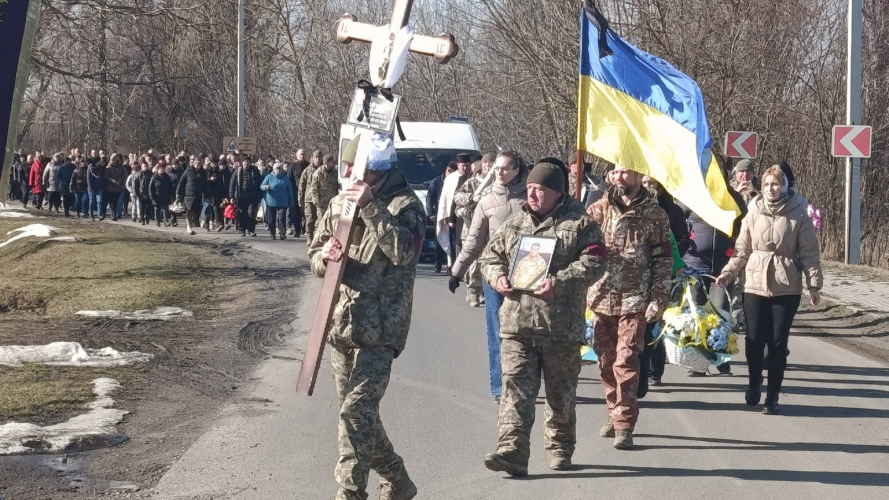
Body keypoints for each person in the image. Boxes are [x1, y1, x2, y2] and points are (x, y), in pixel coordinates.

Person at [309, 133, 425, 500]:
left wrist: (373, 208)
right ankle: (399, 480)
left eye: (353, 167)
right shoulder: (338, 202)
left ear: (376, 170)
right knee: (357, 419)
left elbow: (404, 252)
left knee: (356, 414)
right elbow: (314, 252)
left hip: (381, 331)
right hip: (342, 325)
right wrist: (323, 255)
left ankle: (350, 493)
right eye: (345, 166)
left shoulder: (406, 205)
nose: (344, 173)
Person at [478, 159, 607, 476]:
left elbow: (597, 260)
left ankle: (561, 448)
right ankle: (512, 452)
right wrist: (497, 278)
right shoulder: (515, 222)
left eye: (539, 189)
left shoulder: (580, 222)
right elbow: (490, 256)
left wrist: (560, 283)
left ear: (556, 192)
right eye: (530, 188)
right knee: (515, 393)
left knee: (560, 395)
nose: (532, 194)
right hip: (517, 325)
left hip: (559, 327)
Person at [717, 164, 822, 415]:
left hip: (786, 286)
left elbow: (809, 252)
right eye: (766, 184)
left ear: (784, 185)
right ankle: (754, 382)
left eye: (775, 184)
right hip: (754, 283)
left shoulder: (798, 211)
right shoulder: (754, 209)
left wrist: (814, 284)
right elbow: (743, 249)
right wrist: (729, 272)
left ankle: (773, 396)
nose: (770, 188)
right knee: (754, 340)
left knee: (777, 343)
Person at [587, 166, 672, 450]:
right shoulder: (597, 210)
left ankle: (624, 423)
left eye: (626, 173)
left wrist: (658, 298)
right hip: (601, 297)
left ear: (639, 176)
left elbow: (662, 261)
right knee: (605, 361)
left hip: (636, 298)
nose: (619, 178)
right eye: (616, 172)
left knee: (626, 360)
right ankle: (613, 410)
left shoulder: (655, 215)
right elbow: (580, 252)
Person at [449, 151, 528, 402]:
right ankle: (498, 386)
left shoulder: (530, 199)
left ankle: (523, 382)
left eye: (505, 168)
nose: (500, 172)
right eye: (497, 169)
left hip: (527, 277)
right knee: (497, 332)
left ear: (517, 170)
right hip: (495, 275)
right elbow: (474, 240)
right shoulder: (486, 201)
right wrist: (457, 271)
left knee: (524, 334)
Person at [454, 159, 490, 306]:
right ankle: (473, 292)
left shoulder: (497, 185)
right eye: (486, 162)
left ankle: (481, 290)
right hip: (471, 230)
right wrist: (471, 199)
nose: (489, 165)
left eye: (492, 162)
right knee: (473, 263)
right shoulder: (473, 183)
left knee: (485, 262)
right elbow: (457, 199)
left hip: (489, 229)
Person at [230, 156, 263, 237]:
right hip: (240, 197)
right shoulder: (237, 171)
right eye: (245, 161)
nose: (246, 163)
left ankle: (251, 230)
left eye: (248, 161)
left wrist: (260, 196)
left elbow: (259, 183)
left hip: (252, 197)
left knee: (251, 213)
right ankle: (242, 230)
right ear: (242, 162)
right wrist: (231, 196)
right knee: (241, 214)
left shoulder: (255, 171)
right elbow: (232, 184)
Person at [260, 162, 294, 240]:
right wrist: (266, 187)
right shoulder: (269, 177)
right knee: (271, 219)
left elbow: (290, 191)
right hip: (271, 201)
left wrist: (291, 201)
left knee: (282, 217)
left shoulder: (285, 178)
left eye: (280, 168)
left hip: (282, 201)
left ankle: (282, 233)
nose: (278, 170)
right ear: (273, 170)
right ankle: (272, 233)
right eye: (277, 168)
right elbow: (261, 186)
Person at [426, 165, 448, 273]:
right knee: (439, 238)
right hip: (438, 214)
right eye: (449, 170)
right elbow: (430, 197)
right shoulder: (437, 182)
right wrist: (431, 213)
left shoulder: (456, 180)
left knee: (452, 242)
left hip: (451, 216)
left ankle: (450, 264)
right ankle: (438, 262)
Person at [177, 158, 207, 235]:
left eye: (200, 164)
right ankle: (189, 227)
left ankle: (192, 223)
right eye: (197, 164)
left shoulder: (203, 173)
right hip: (189, 195)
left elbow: (205, 184)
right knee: (189, 211)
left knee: (195, 212)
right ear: (193, 164)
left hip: (199, 195)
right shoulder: (188, 171)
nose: (198, 166)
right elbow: (181, 182)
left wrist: (206, 194)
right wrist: (178, 193)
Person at [299, 150, 323, 243]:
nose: (318, 160)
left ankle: (316, 237)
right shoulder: (308, 170)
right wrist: (300, 199)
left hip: (320, 198)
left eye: (319, 158)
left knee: (319, 219)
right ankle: (309, 235)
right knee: (309, 218)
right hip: (309, 198)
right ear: (313, 158)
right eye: (316, 158)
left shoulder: (323, 169)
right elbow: (302, 185)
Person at [312, 154, 340, 222]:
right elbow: (314, 188)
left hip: (332, 202)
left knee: (331, 220)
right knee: (321, 222)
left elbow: (338, 185)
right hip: (322, 203)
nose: (333, 163)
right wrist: (316, 202)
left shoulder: (335, 173)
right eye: (331, 162)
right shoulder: (318, 173)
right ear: (327, 162)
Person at [288, 149, 308, 236]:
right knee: (296, 212)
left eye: (303, 154)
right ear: (297, 156)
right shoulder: (293, 166)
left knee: (307, 212)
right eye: (300, 154)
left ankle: (306, 229)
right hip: (296, 192)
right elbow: (289, 180)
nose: (302, 156)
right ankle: (297, 230)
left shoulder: (308, 165)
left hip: (307, 192)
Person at [149, 163, 174, 227]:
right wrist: (152, 196)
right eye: (160, 169)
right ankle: (157, 221)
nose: (161, 170)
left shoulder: (167, 176)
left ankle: (166, 221)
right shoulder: (154, 177)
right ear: (157, 169)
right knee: (157, 209)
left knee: (165, 209)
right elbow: (150, 187)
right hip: (157, 195)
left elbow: (170, 186)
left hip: (165, 195)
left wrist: (172, 195)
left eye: (163, 169)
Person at [105, 154, 128, 221]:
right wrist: (113, 180)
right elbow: (107, 176)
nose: (111, 161)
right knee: (112, 202)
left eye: (113, 160)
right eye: (111, 160)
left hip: (119, 187)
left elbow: (124, 175)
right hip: (110, 187)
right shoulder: (108, 167)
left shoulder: (121, 167)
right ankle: (113, 214)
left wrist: (119, 181)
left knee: (117, 201)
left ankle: (116, 214)